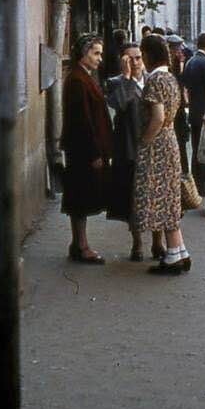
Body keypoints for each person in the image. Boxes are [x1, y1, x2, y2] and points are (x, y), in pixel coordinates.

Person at [134, 34, 191, 275]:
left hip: (157, 144)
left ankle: (173, 256)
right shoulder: (171, 78)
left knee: (161, 197)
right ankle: (178, 250)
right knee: (169, 197)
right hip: (170, 141)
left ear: (147, 55)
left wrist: (144, 141)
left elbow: (157, 117)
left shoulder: (155, 80)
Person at [105, 43, 164, 261]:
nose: (136, 62)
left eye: (138, 57)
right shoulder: (115, 83)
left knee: (155, 197)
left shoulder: (154, 80)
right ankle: (137, 243)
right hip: (129, 149)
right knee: (133, 199)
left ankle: (158, 243)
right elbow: (119, 105)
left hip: (153, 148)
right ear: (123, 62)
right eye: (130, 59)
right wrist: (127, 78)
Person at [61, 34, 112, 264]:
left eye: (100, 53)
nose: (99, 58)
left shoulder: (83, 77)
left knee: (80, 195)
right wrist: (94, 153)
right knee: (80, 196)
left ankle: (78, 244)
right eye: (96, 53)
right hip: (83, 150)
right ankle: (81, 246)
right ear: (84, 53)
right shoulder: (78, 80)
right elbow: (82, 119)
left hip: (83, 149)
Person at [182, 31, 205, 197]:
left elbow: (186, 85)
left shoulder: (191, 61)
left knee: (196, 149)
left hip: (194, 111)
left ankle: (194, 184)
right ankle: (203, 186)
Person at [166, 34, 190, 176]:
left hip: (179, 112)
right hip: (174, 113)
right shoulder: (169, 67)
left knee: (181, 144)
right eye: (177, 48)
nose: (181, 51)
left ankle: (184, 173)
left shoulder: (179, 65)